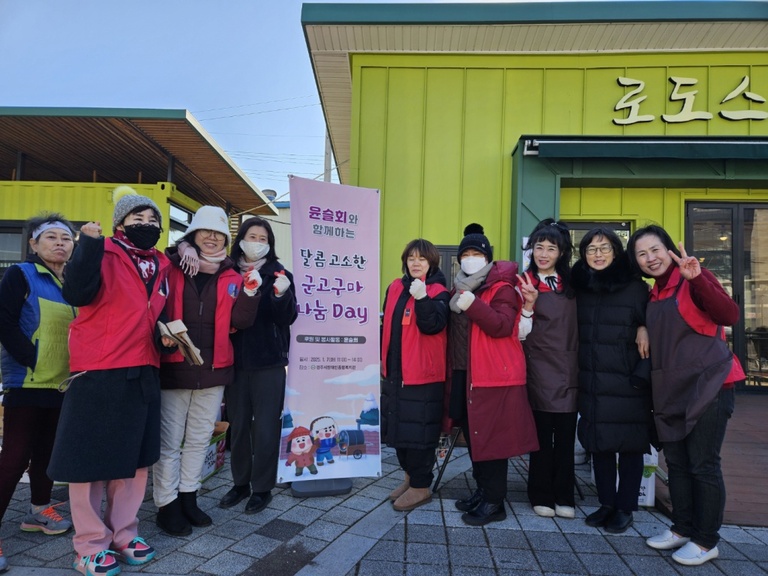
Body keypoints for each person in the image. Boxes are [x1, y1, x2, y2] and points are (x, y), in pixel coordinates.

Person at [48, 187, 172, 576]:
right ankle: (88, 544)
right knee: (88, 462)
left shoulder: (162, 265)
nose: (147, 226)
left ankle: (124, 533)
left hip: (144, 368)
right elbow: (76, 291)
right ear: (120, 224)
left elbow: (146, 317)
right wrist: (86, 244)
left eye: (153, 221)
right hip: (98, 369)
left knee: (134, 462)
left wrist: (164, 338)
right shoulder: (102, 252)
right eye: (138, 219)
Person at [629, 225, 744, 567]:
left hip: (709, 385)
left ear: (669, 249)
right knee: (677, 464)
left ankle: (706, 540)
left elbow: (729, 315)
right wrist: (642, 326)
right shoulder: (653, 295)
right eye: (642, 254)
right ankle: (682, 528)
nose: (651, 258)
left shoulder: (692, 278)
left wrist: (698, 279)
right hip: (671, 389)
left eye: (655, 249)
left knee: (703, 465)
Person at [153, 206, 261, 536]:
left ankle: (189, 497)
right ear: (193, 235)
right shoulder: (171, 268)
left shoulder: (231, 275)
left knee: (199, 440)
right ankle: (166, 504)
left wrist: (252, 292)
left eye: (218, 234)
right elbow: (153, 308)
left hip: (214, 369)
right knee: (170, 442)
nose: (212, 238)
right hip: (174, 366)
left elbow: (241, 321)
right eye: (205, 232)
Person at [447, 223, 538, 526]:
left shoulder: (501, 288)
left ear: (487, 257)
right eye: (466, 254)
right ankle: (483, 491)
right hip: (464, 372)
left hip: (491, 376)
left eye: (477, 253)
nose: (470, 258)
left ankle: (495, 502)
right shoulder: (460, 286)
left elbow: (500, 326)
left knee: (493, 440)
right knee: (474, 437)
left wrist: (472, 305)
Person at [0, 214, 76, 573]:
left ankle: (38, 510)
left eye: (67, 238)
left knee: (47, 453)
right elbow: (4, 322)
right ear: (33, 244)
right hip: (27, 382)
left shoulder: (73, 284)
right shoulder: (21, 275)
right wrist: (30, 358)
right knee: (14, 458)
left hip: (62, 383)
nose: (60, 243)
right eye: (51, 237)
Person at [571, 227, 652, 534]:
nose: (598, 254)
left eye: (605, 248)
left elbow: (654, 329)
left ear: (617, 252)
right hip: (592, 380)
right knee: (600, 445)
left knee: (630, 447)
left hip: (628, 381)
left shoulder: (636, 288)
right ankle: (606, 503)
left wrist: (640, 377)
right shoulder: (581, 287)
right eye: (591, 249)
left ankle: (626, 506)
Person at [219, 217, 297, 514]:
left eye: (263, 238)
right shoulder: (226, 272)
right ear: (240, 239)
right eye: (252, 236)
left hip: (269, 363)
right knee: (238, 427)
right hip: (234, 361)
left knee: (265, 429)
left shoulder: (280, 273)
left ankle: (262, 488)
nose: (257, 242)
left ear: (270, 243)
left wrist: (281, 294)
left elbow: (287, 317)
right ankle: (240, 483)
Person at [381, 239, 450, 511]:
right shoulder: (395, 287)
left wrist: (422, 298)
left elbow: (433, 325)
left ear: (432, 262)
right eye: (411, 258)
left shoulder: (439, 291)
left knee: (419, 433)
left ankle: (421, 486)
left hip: (423, 375)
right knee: (398, 430)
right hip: (396, 373)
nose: (416, 263)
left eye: (422, 258)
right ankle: (409, 478)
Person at [520, 219, 579, 519]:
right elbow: (516, 331)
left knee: (567, 436)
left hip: (569, 367)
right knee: (541, 436)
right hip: (537, 367)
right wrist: (528, 306)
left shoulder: (574, 284)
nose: (544, 254)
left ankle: (565, 494)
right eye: (538, 247)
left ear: (561, 252)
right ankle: (540, 493)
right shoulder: (523, 282)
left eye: (551, 248)